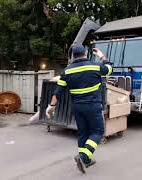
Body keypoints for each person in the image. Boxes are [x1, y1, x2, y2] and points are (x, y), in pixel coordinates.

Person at [45, 44, 112, 173]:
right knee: (98, 132)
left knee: (83, 133)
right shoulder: (95, 66)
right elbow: (109, 69)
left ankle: (86, 160)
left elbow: (58, 92)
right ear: (85, 53)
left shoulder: (67, 71)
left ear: (73, 56)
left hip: (78, 108)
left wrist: (51, 107)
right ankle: (83, 157)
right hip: (93, 106)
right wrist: (102, 56)